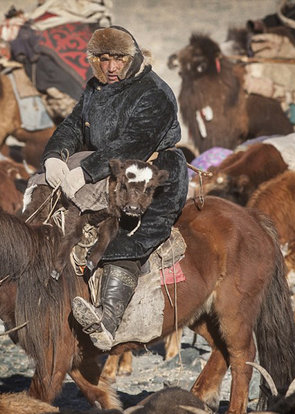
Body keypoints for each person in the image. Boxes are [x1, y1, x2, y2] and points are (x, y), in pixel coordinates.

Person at [41, 26, 189, 350]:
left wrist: (86, 171)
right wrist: (54, 156)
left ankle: (107, 323)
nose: (110, 67)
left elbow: (136, 142)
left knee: (126, 238)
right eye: (103, 59)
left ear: (132, 58)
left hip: (150, 175)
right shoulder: (94, 89)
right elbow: (72, 126)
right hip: (108, 175)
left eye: (118, 59)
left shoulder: (155, 92)